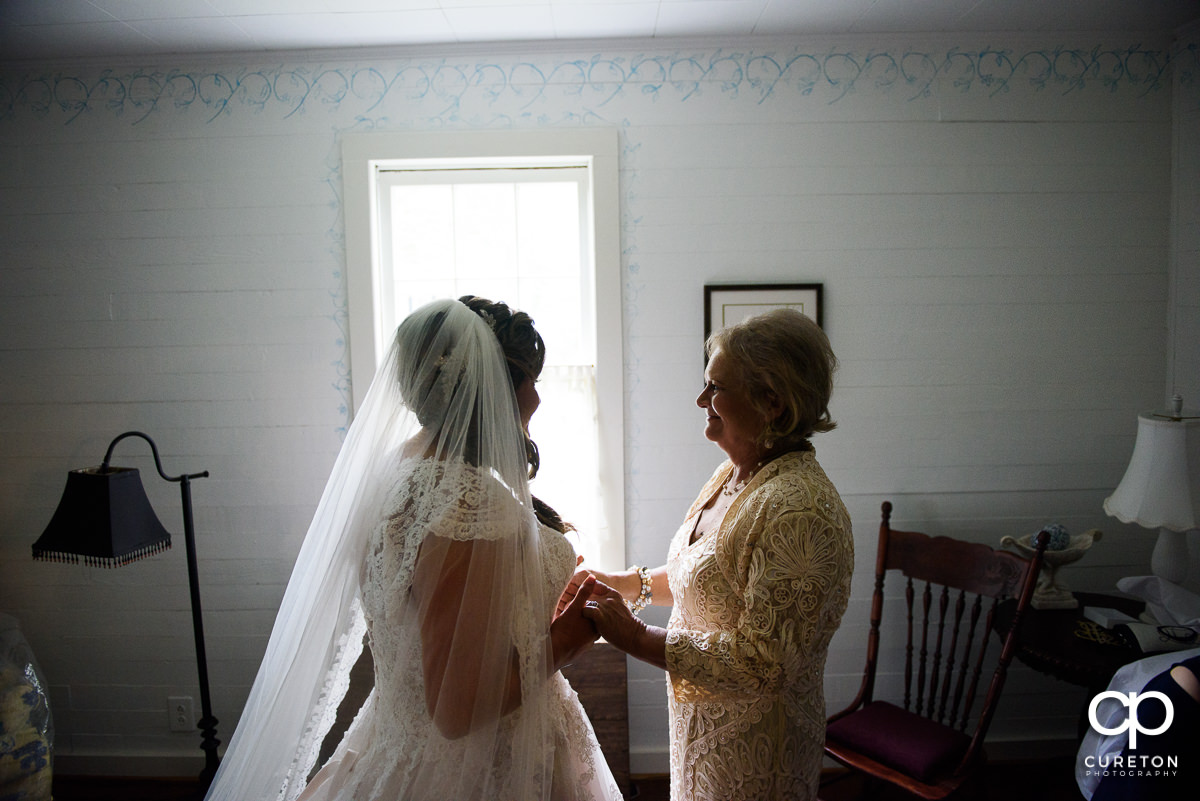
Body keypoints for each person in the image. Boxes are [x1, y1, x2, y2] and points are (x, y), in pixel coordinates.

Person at [204, 296, 622, 801]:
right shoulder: (467, 501)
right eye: (529, 381)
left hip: (399, 742)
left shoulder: (393, 473)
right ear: (489, 390)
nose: (536, 399)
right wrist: (566, 641)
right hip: (481, 768)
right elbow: (457, 708)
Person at [579, 308, 854, 801]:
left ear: (771, 400)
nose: (701, 399)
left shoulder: (799, 510)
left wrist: (636, 636)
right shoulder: (735, 475)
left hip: (759, 752)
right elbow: (708, 578)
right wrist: (627, 583)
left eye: (716, 387)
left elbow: (764, 662)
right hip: (704, 735)